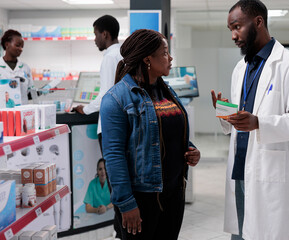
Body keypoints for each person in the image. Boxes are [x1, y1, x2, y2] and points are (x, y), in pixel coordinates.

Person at [210, 1, 289, 239]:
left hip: (270, 171)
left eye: (237, 27)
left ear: (258, 22)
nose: (234, 36)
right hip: (241, 168)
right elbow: (242, 116)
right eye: (230, 30)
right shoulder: (241, 68)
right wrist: (224, 112)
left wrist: (259, 123)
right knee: (242, 232)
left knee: (266, 232)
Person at [101, 29, 201, 240]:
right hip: (142, 198)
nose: (170, 57)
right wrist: (126, 204)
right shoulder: (116, 98)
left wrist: (189, 148)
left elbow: (166, 133)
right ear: (147, 59)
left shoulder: (167, 91)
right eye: (165, 52)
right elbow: (114, 155)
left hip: (173, 192)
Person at [72, 15, 122, 153]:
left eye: (95, 34)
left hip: (110, 126)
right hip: (122, 125)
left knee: (112, 171)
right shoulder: (123, 54)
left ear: (104, 34)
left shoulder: (110, 57)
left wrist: (85, 109)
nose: (95, 40)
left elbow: (106, 96)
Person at [0, 29, 34, 105]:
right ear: (7, 44)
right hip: (3, 112)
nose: (20, 49)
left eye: (22, 47)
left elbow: (29, 94)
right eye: (17, 45)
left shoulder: (25, 68)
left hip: (22, 112)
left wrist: (46, 89)